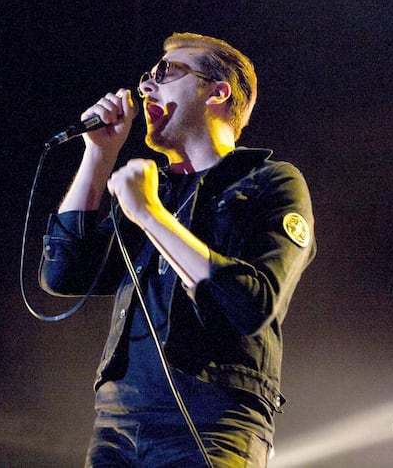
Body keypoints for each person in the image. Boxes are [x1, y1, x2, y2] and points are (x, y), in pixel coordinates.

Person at [39, 32, 315, 467]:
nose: (146, 86)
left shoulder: (270, 182)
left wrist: (150, 216)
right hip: (116, 422)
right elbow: (63, 275)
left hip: (213, 421)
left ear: (218, 92)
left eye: (166, 73)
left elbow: (253, 305)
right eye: (148, 75)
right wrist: (98, 154)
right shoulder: (155, 190)